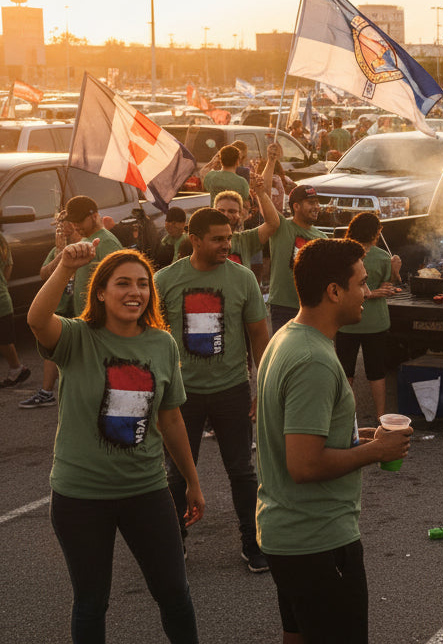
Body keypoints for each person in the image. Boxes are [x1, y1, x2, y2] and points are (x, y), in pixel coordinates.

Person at [29, 245, 204, 643]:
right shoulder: (76, 337)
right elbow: (37, 320)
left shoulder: (162, 344)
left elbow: (171, 419)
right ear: (101, 292)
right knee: (91, 602)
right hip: (81, 496)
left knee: (175, 595)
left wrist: (192, 481)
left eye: (142, 284)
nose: (135, 292)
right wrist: (65, 267)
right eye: (122, 283)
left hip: (146, 490)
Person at [255, 238, 412, 644]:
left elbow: (299, 432)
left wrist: (360, 436)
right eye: (361, 283)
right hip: (316, 541)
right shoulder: (315, 361)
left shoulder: (289, 336)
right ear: (334, 291)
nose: (367, 292)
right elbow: (304, 464)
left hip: (288, 535)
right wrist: (376, 451)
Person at [156, 207, 271, 573]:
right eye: (218, 239)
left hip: (232, 391)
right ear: (194, 239)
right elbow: (149, 336)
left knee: (242, 471)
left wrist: (262, 386)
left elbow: (259, 335)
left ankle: (253, 543)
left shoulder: (243, 278)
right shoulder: (165, 280)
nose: (227, 244)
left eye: (229, 238)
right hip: (180, 396)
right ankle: (175, 543)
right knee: (176, 474)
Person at [335, 212, 402, 420]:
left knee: (346, 372)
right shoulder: (382, 256)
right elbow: (390, 286)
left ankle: (346, 417)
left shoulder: (341, 254)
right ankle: (381, 416)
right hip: (376, 322)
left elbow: (340, 287)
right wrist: (395, 271)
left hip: (346, 322)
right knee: (376, 372)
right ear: (374, 233)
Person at [18, 217, 80, 409]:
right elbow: (44, 274)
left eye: (65, 224)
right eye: (59, 226)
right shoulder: (57, 250)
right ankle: (47, 393)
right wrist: (61, 256)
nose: (61, 229)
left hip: (78, 310)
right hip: (59, 310)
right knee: (50, 348)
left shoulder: (86, 247)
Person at [267, 184, 328, 331]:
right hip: (283, 306)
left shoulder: (322, 237)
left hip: (312, 307)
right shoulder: (280, 226)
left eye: (317, 203)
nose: (316, 207)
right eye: (311, 203)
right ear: (296, 206)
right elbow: (265, 197)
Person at [63, 195, 125, 316]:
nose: (76, 226)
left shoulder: (106, 242)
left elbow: (119, 284)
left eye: (80, 221)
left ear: (95, 216)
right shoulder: (85, 239)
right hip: (83, 318)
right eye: (73, 222)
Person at [0, 230, 29, 388]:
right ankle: (16, 369)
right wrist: (3, 284)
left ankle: (16, 369)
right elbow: (9, 265)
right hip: (3, 298)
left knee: (4, 340)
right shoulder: (2, 240)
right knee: (4, 340)